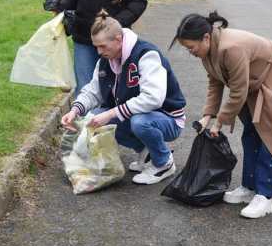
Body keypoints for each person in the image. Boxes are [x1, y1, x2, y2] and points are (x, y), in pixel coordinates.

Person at [170, 11, 272, 218]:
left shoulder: (231, 48)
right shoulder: (207, 50)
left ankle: (265, 196)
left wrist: (219, 122)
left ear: (205, 37)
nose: (190, 52)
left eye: (191, 47)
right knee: (251, 132)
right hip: (256, 84)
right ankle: (250, 187)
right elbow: (215, 81)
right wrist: (208, 115)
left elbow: (238, 91)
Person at [61, 10, 186, 185]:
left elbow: (153, 99)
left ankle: (163, 163)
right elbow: (93, 91)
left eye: (103, 46)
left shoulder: (146, 54)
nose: (98, 52)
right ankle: (147, 152)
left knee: (138, 122)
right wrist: (75, 110)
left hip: (168, 119)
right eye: (96, 46)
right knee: (94, 117)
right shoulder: (106, 59)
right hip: (139, 115)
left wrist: (111, 113)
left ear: (119, 39)